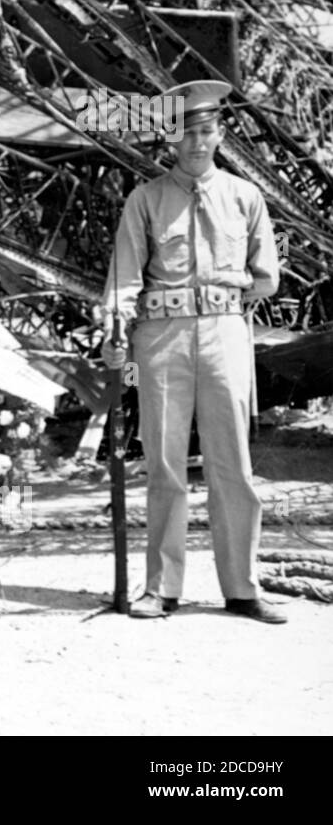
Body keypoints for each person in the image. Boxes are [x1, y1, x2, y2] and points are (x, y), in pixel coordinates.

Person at [101, 79, 284, 623]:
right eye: (186, 134)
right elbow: (123, 280)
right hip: (162, 338)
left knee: (233, 463)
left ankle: (243, 588)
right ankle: (161, 587)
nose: (197, 144)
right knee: (164, 462)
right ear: (170, 140)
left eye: (206, 132)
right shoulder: (146, 199)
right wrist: (115, 331)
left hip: (226, 335)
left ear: (220, 133)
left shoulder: (245, 197)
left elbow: (266, 277)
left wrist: (225, 299)